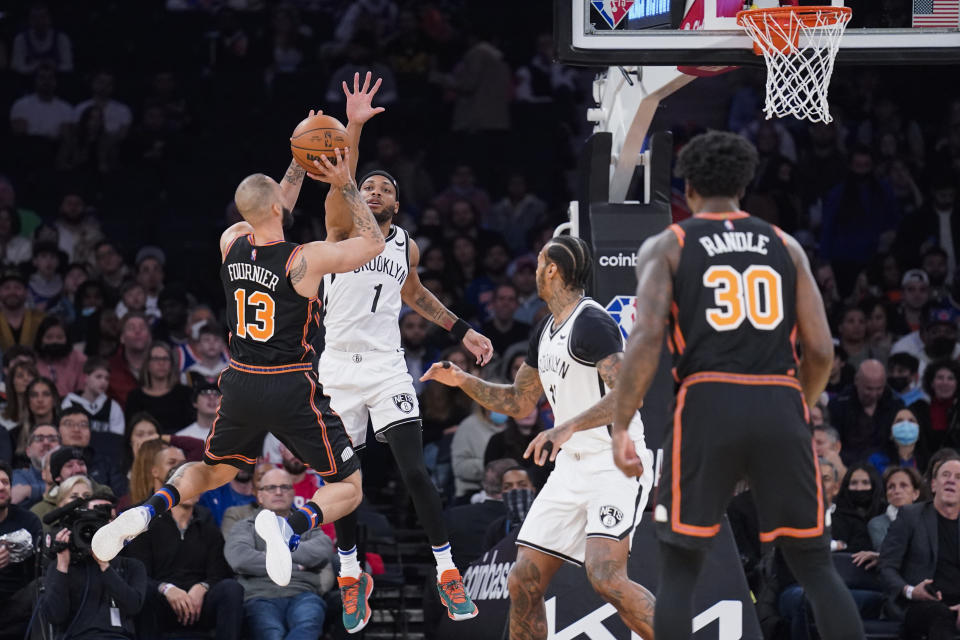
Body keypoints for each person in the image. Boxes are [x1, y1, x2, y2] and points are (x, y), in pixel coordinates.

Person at [92, 111, 384, 598]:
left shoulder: (230, 243)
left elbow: (272, 204)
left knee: (214, 470)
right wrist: (345, 180)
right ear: (276, 208)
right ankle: (290, 525)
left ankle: (145, 511)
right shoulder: (303, 259)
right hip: (291, 381)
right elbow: (373, 241)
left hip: (241, 379)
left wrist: (296, 160)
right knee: (351, 486)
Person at [612, 131, 864, 640]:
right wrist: (798, 405)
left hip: (708, 399)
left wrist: (621, 424)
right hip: (778, 398)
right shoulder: (787, 246)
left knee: (681, 564)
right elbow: (820, 351)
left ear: (689, 186)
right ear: (745, 185)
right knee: (815, 565)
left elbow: (643, 342)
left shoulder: (671, 244)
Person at [315, 72, 491, 630]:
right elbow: (345, 178)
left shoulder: (405, 244)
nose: (374, 191)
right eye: (368, 185)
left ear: (398, 201)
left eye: (385, 188)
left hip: (389, 364)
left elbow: (413, 293)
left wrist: (461, 328)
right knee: (342, 480)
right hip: (338, 364)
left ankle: (446, 571)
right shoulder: (343, 226)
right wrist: (355, 127)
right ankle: (350, 574)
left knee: (415, 470)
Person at [422, 234, 656, 639]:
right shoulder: (545, 329)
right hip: (571, 468)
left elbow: (628, 394)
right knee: (522, 579)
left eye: (538, 263)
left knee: (605, 576)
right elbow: (518, 402)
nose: (532, 271)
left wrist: (567, 426)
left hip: (614, 461)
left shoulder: (592, 322)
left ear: (552, 269)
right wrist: (462, 380)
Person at [124, 464, 244, 640]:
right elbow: (139, 574)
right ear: (170, 489)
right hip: (162, 602)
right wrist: (166, 588)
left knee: (232, 589)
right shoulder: (147, 527)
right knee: (146, 593)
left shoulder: (208, 528)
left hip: (199, 605)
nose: (190, 489)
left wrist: (202, 587)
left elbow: (219, 573)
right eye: (184, 483)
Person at [224, 467, 335, 640]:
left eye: (284, 487)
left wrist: (277, 554)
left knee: (308, 624)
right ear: (260, 496)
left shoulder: (307, 525)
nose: (278, 492)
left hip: (303, 593)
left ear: (292, 493)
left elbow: (324, 549)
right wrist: (298, 565)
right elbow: (240, 559)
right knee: (272, 634)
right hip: (260, 596)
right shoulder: (246, 526)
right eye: (271, 488)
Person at [39, 493, 146, 640]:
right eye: (96, 519)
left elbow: (133, 606)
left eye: (109, 519)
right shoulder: (62, 566)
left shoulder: (131, 566)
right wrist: (62, 565)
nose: (104, 526)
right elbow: (55, 616)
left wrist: (104, 563)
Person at [879, 457, 960, 640]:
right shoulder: (910, 516)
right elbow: (886, 566)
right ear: (933, 485)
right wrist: (910, 590)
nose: (951, 480)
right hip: (918, 603)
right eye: (945, 475)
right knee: (940, 616)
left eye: (958, 477)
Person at [828, 359, 904, 464]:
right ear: (857, 381)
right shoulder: (838, 405)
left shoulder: (896, 405)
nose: (873, 394)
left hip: (885, 466)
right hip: (848, 465)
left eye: (879, 389)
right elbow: (834, 443)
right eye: (869, 389)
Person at [0, 460, 43, 640]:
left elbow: (40, 565)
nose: (1, 487)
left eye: (5, 482)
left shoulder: (27, 520)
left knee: (44, 585)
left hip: (18, 603)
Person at [124, 341, 194, 433]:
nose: (161, 363)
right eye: (156, 359)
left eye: (165, 359)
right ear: (148, 364)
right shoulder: (135, 397)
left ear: (171, 364)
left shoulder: (185, 394)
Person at [62, 356, 125, 441]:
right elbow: (65, 435)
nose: (103, 382)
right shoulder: (69, 403)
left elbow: (116, 439)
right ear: (85, 377)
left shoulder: (113, 407)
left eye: (107, 378)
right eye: (98, 377)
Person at [867, 466, 925, 551]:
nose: (897, 491)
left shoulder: (928, 520)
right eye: (891, 487)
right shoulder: (877, 524)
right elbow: (887, 553)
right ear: (886, 495)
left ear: (915, 494)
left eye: (903, 485)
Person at [483, 466, 537, 549]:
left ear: (533, 490)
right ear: (502, 493)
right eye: (507, 487)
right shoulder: (495, 528)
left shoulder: (547, 522)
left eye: (522, 485)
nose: (515, 489)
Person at [10, 423, 59, 507]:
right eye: (39, 439)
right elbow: (17, 499)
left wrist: (30, 491)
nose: (46, 443)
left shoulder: (72, 469)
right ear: (28, 451)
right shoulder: (17, 475)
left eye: (52, 439)